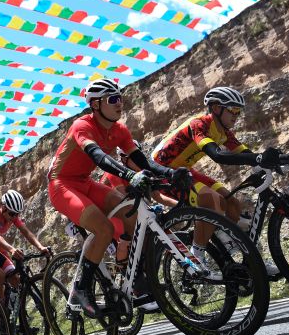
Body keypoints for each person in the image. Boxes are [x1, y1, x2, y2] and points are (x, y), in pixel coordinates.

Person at [47, 77, 190, 316]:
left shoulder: (119, 130)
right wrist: (129, 175)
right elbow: (99, 157)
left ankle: (134, 278)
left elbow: (143, 162)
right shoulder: (82, 126)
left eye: (120, 98)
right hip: (61, 184)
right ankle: (81, 289)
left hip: (85, 182)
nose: (119, 103)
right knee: (103, 228)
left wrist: (170, 173)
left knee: (132, 214)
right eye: (113, 99)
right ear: (95, 104)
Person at [152, 86, 289, 276]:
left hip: (184, 170)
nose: (236, 116)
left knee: (232, 203)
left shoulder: (223, 132)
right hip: (164, 173)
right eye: (233, 110)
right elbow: (218, 155)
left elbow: (249, 155)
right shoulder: (199, 125)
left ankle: (245, 257)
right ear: (216, 108)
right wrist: (259, 159)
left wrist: (284, 159)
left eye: (239, 111)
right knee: (211, 200)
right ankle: (196, 256)